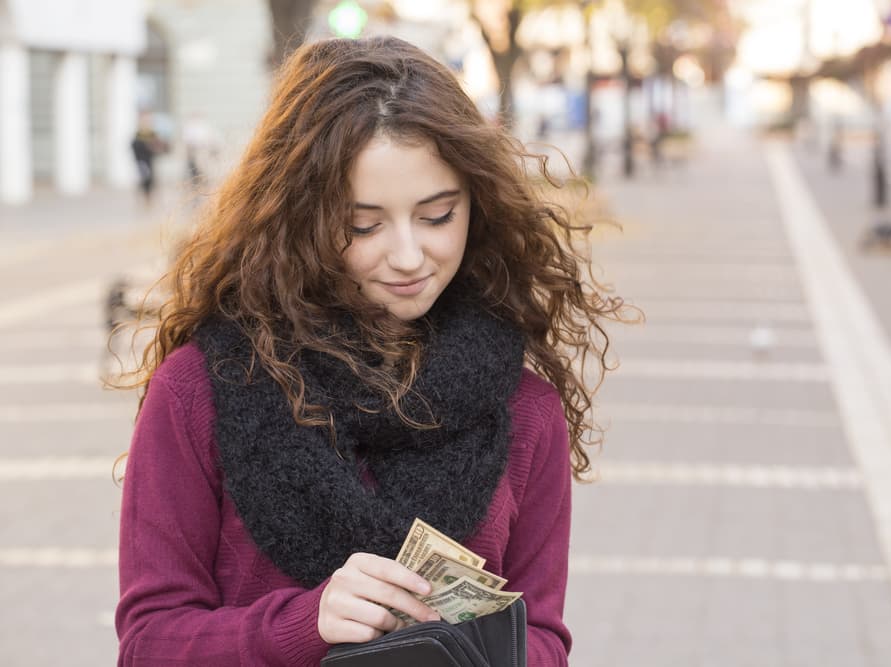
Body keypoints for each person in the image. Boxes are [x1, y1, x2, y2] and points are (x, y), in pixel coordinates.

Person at [115, 36, 630, 666]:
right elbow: (148, 644)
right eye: (362, 225)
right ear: (299, 218)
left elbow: (544, 636)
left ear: (478, 204)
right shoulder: (200, 388)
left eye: (438, 216)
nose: (409, 256)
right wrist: (305, 625)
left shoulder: (525, 410)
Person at [130, 112, 166, 206]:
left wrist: (157, 149)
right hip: (141, 161)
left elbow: (160, 146)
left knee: (152, 180)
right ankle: (144, 199)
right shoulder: (138, 134)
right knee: (144, 179)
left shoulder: (152, 133)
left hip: (150, 160)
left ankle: (150, 199)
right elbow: (134, 147)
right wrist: (147, 147)